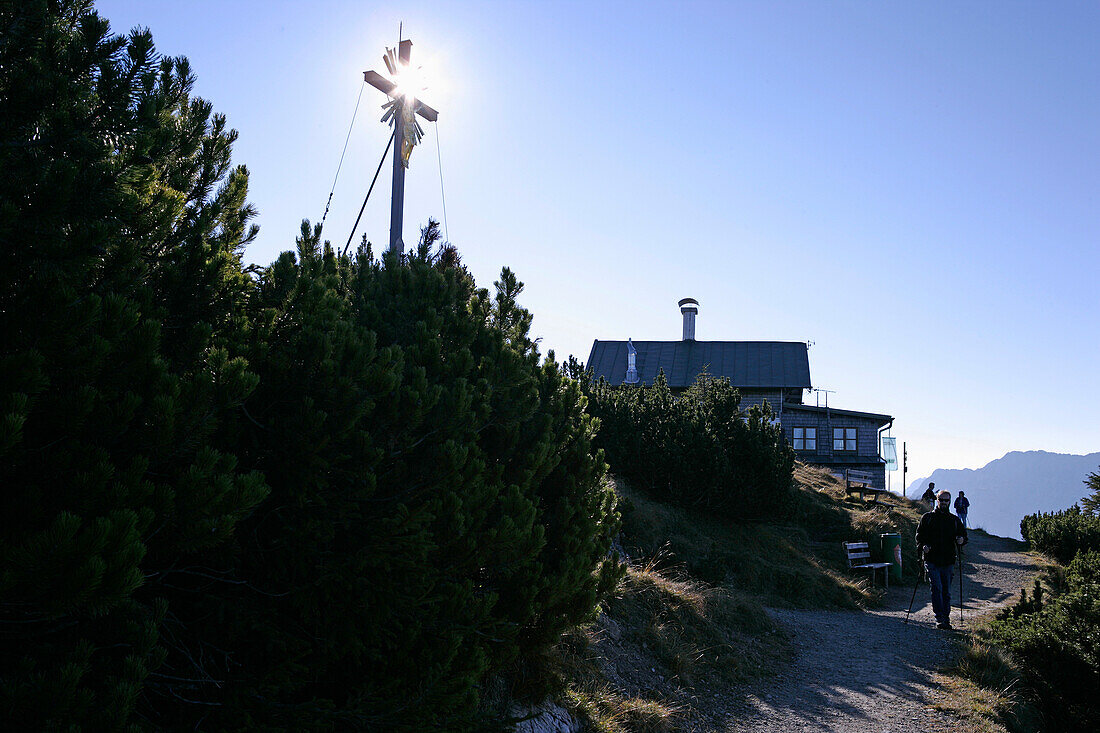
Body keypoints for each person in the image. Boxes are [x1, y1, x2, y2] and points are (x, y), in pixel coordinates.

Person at [916, 490, 968, 629]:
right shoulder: (927, 518)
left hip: (948, 560)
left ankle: (945, 618)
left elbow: (964, 537)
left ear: (950, 502)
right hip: (932, 559)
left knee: (946, 591)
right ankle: (940, 618)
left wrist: (961, 540)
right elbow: (919, 537)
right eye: (941, 499)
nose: (944, 502)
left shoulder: (954, 520)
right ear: (937, 500)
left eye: (946, 500)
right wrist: (923, 546)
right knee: (937, 588)